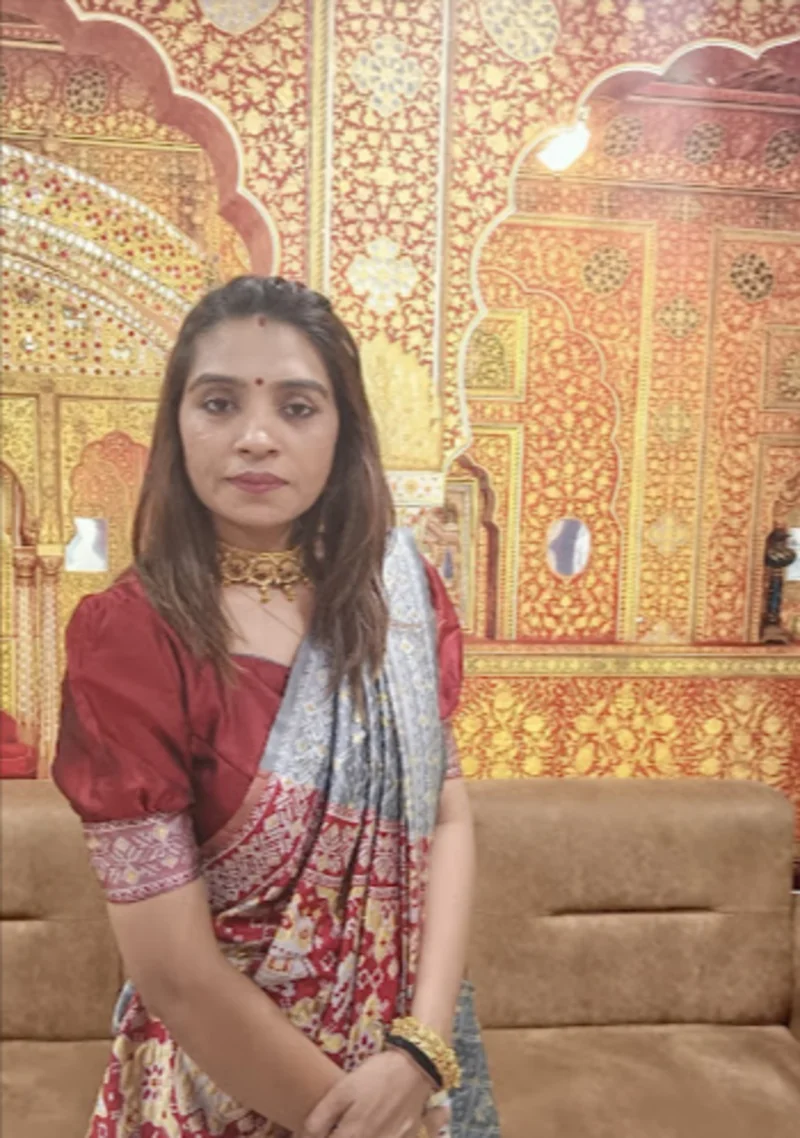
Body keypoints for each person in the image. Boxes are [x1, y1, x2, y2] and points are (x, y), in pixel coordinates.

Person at [53, 276, 500, 1138]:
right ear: (178, 425)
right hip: (225, 1078)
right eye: (219, 403)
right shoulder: (130, 637)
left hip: (406, 1054)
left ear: (343, 431)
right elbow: (175, 975)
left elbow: (446, 816)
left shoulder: (402, 598)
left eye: (297, 407)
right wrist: (369, 1125)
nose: (256, 436)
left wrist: (420, 1052)